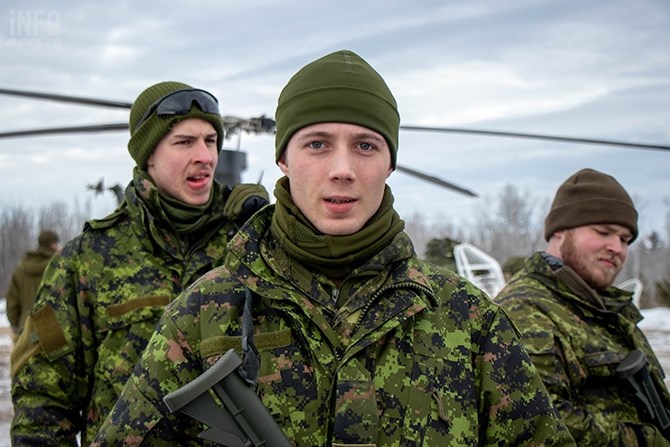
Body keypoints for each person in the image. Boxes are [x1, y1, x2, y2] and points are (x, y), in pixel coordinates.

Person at [94, 50, 574, 447]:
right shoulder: (205, 312)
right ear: (283, 158)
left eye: (365, 146)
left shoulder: (468, 320)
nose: (342, 168)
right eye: (318, 144)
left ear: (390, 164)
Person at [10, 81, 269, 445]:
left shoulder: (248, 244)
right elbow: (42, 396)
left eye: (210, 141)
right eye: (184, 142)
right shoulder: (85, 262)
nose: (206, 156)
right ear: (148, 155)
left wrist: (274, 226)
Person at [495, 168, 670, 446]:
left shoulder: (604, 309)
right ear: (561, 232)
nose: (617, 248)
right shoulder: (525, 309)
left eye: (625, 239)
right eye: (604, 232)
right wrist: (647, 440)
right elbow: (539, 421)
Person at [5, 229, 60, 340]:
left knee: (27, 357)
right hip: (55, 326)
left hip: (26, 326)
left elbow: (12, 302)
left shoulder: (20, 269)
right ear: (53, 244)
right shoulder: (59, 266)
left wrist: (16, 326)